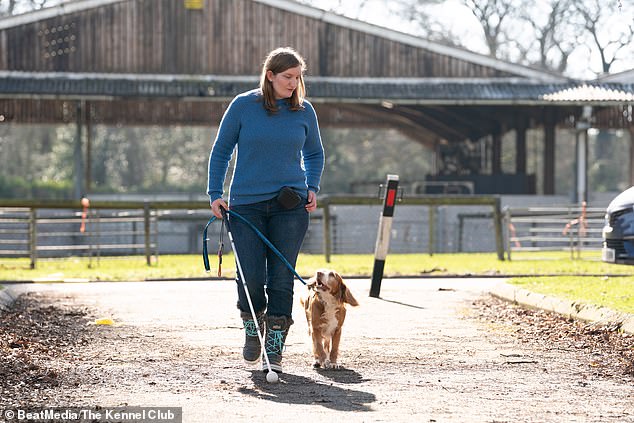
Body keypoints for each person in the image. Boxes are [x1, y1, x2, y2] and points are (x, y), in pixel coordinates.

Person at [207, 47, 324, 373]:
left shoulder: (304, 111)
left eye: (298, 77)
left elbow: (314, 154)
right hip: (246, 206)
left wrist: (311, 186)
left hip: (290, 206)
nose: (293, 83)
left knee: (281, 277)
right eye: (288, 77)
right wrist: (214, 192)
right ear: (269, 75)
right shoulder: (244, 106)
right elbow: (221, 151)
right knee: (250, 275)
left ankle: (275, 346)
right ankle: (251, 329)